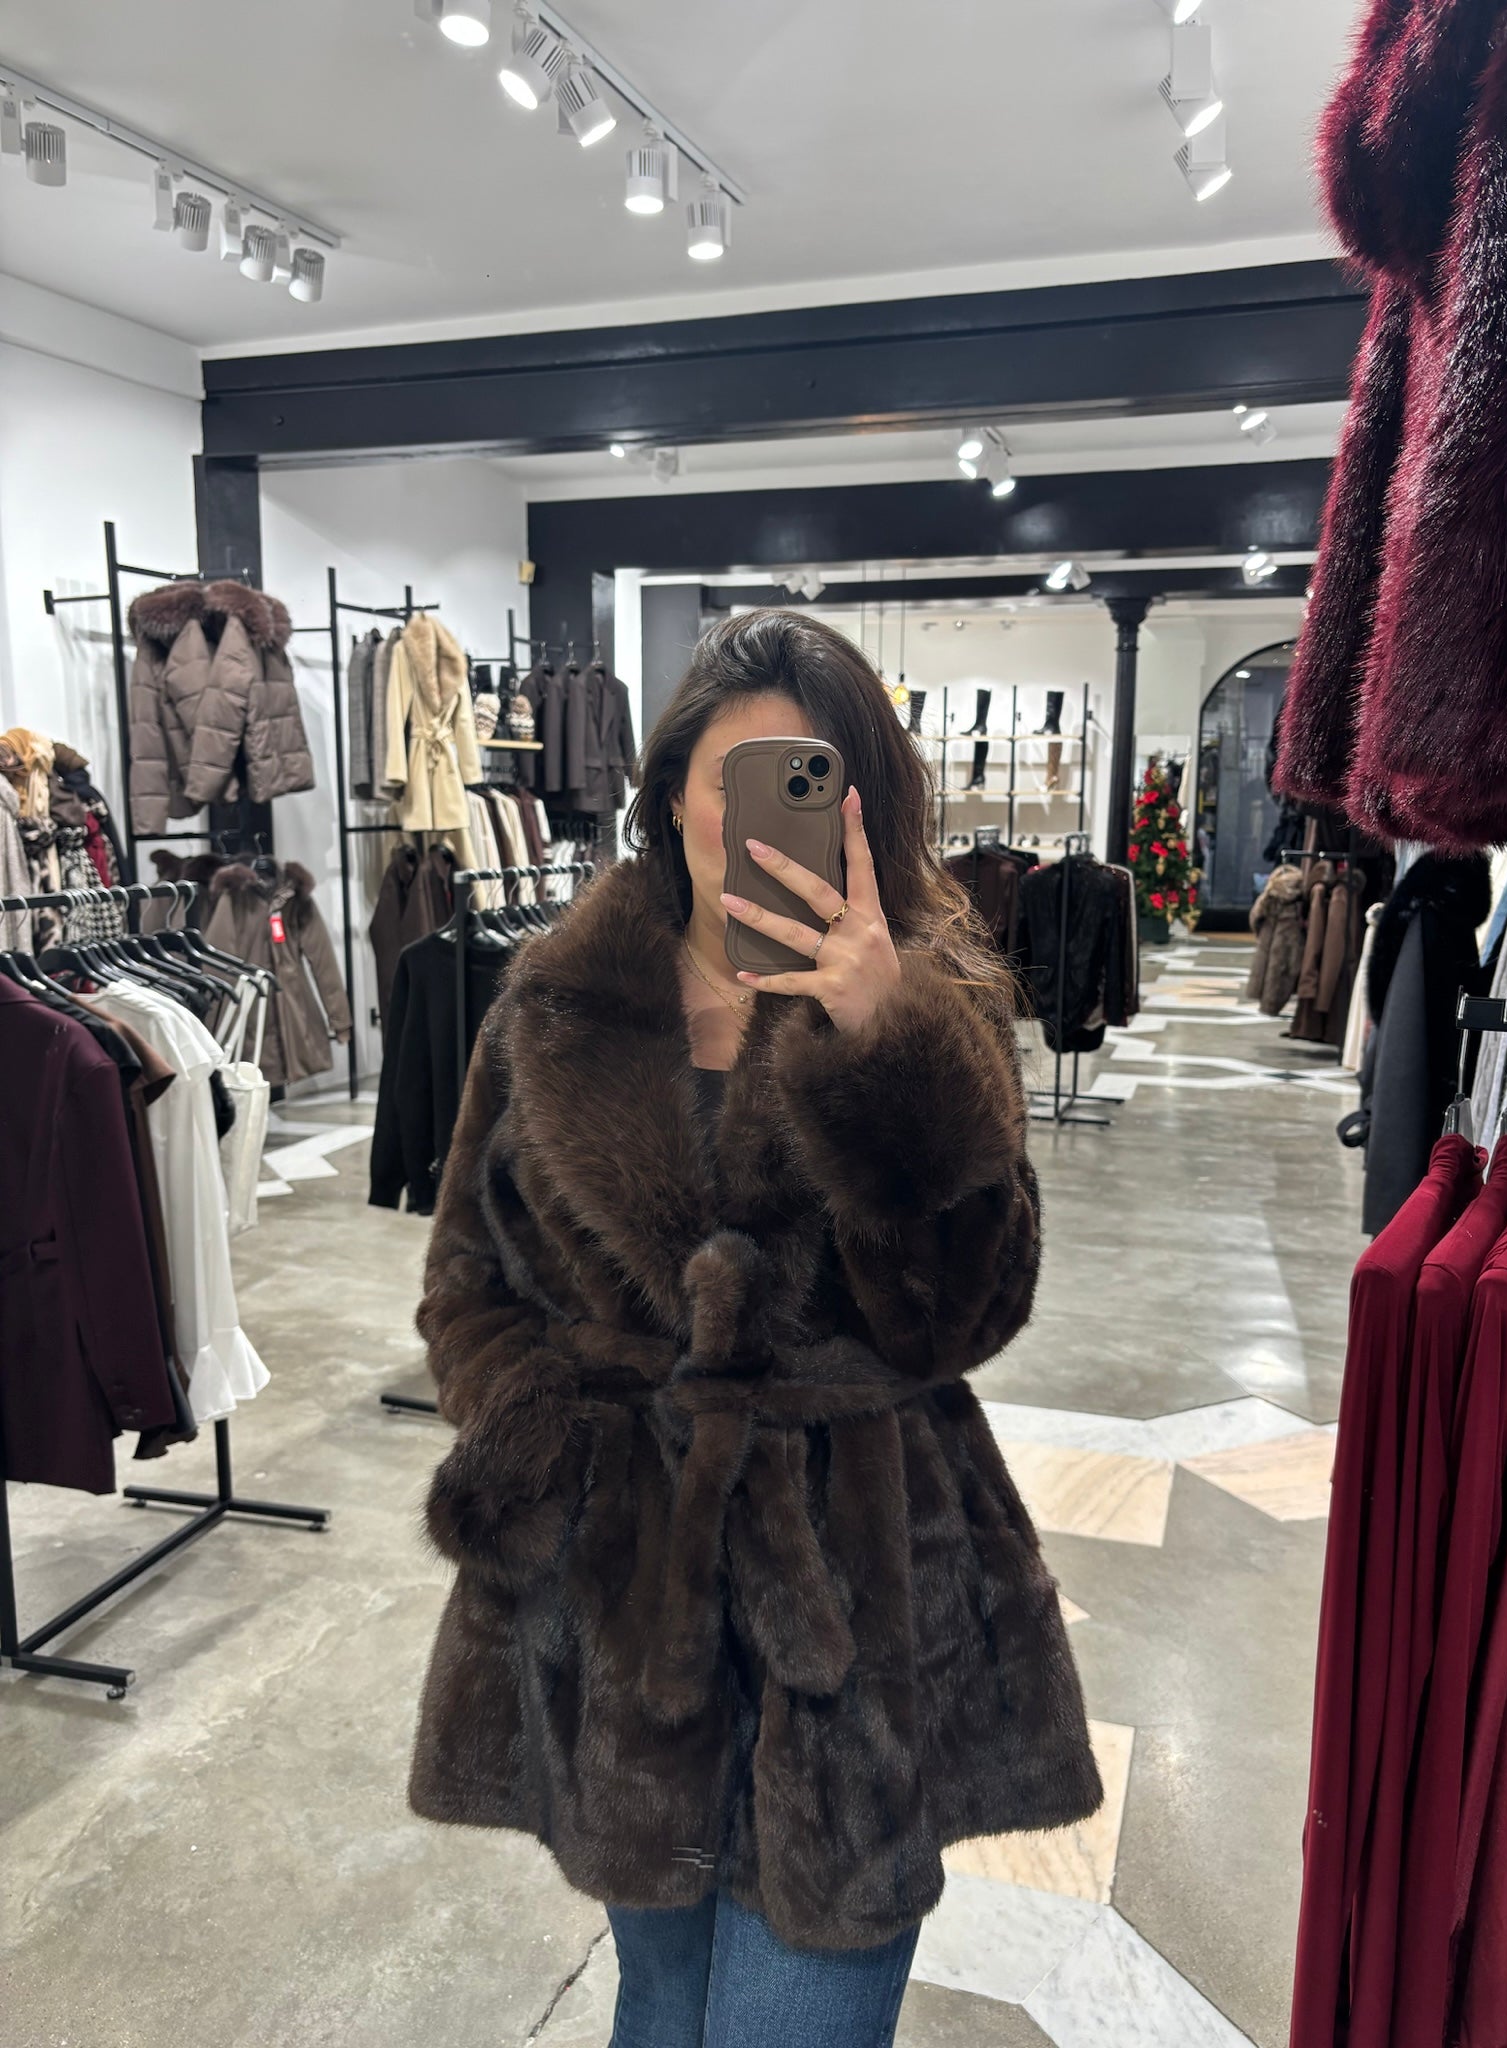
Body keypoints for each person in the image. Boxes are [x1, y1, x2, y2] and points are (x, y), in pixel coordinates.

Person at [406, 611, 1100, 2048]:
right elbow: (467, 1281)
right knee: (661, 2003)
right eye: (731, 780)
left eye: (808, 779)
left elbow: (971, 1314)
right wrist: (535, 1435)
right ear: (670, 796)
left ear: (864, 805)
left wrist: (887, 1050)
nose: (761, 819)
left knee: (801, 2015)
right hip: (625, 1599)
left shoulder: (933, 1006)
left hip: (852, 1582)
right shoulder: (552, 1008)